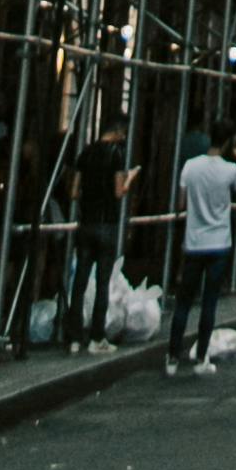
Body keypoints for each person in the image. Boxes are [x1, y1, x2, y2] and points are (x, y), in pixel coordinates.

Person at [167, 130, 236, 375]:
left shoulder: (190, 166)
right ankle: (201, 358)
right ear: (230, 144)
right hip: (219, 243)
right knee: (209, 302)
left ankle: (172, 359)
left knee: (183, 302)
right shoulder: (230, 170)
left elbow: (181, 204)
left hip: (194, 243)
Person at [64, 124, 136, 351]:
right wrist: (130, 178)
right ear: (117, 131)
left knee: (79, 282)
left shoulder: (85, 153)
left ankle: (74, 338)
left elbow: (73, 192)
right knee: (103, 282)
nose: (123, 138)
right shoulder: (117, 154)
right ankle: (97, 337)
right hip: (107, 223)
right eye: (123, 133)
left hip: (86, 223)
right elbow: (118, 192)